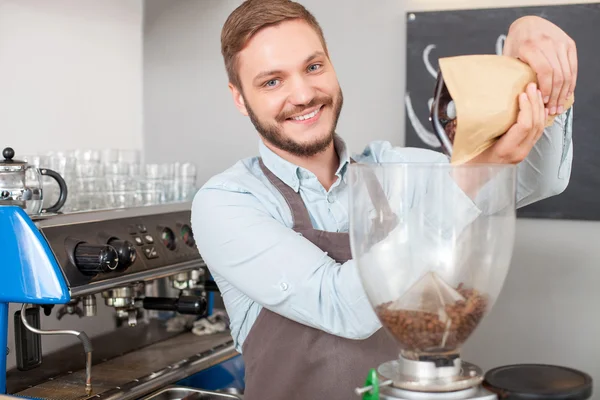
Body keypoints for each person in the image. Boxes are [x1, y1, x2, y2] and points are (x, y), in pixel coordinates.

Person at [191, 1, 577, 399]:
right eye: (272, 81)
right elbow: (341, 307)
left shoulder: (396, 171)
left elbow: (536, 180)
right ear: (239, 98)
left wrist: (536, 65)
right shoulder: (228, 203)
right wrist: (466, 178)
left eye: (313, 67)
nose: (304, 94)